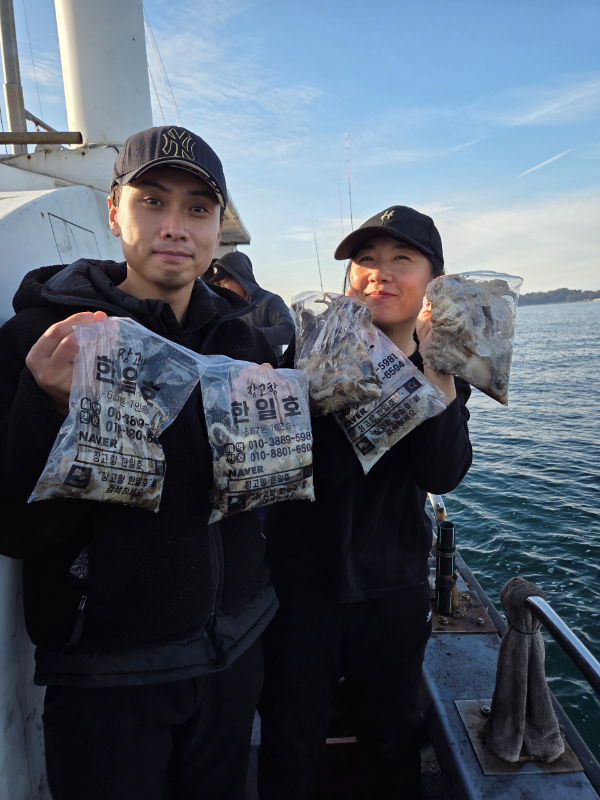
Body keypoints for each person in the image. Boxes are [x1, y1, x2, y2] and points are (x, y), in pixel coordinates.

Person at [0, 125, 279, 800]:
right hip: (107, 677)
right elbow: (15, 530)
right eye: (152, 201)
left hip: (235, 651)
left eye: (197, 208)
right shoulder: (45, 338)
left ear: (216, 227)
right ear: (114, 211)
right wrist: (46, 405)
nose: (175, 226)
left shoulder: (243, 343)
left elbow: (263, 497)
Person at [257, 206, 473, 799]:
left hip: (393, 584)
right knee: (291, 731)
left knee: (391, 733)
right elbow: (302, 465)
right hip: (299, 579)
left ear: (434, 282)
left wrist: (436, 373)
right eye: (366, 260)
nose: (380, 271)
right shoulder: (310, 352)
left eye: (401, 259)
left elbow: (442, 472)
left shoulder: (447, 366)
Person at [205, 251, 294, 350]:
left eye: (225, 283)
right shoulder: (226, 308)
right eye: (221, 284)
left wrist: (247, 333)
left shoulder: (271, 301)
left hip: (267, 360)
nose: (223, 288)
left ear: (239, 277)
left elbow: (290, 332)